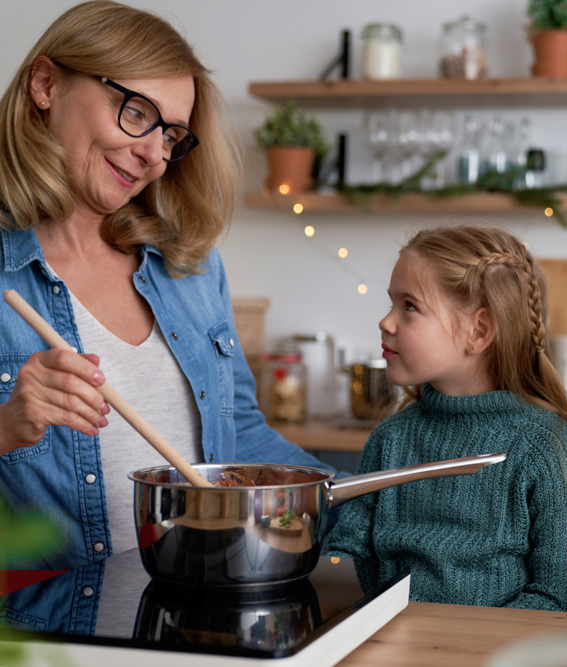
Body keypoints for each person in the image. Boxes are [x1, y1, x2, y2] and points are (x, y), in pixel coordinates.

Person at [0, 1, 337, 571]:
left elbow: (242, 444)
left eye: (172, 134)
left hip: (188, 622)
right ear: (45, 83)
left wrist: (371, 496)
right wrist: (7, 428)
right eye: (135, 112)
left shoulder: (191, 267)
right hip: (48, 647)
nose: (154, 154)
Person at [325, 226, 567, 612]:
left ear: (478, 331)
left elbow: (560, 597)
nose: (386, 322)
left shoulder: (545, 447)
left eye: (410, 306)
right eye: (391, 304)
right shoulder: (390, 440)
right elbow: (349, 552)